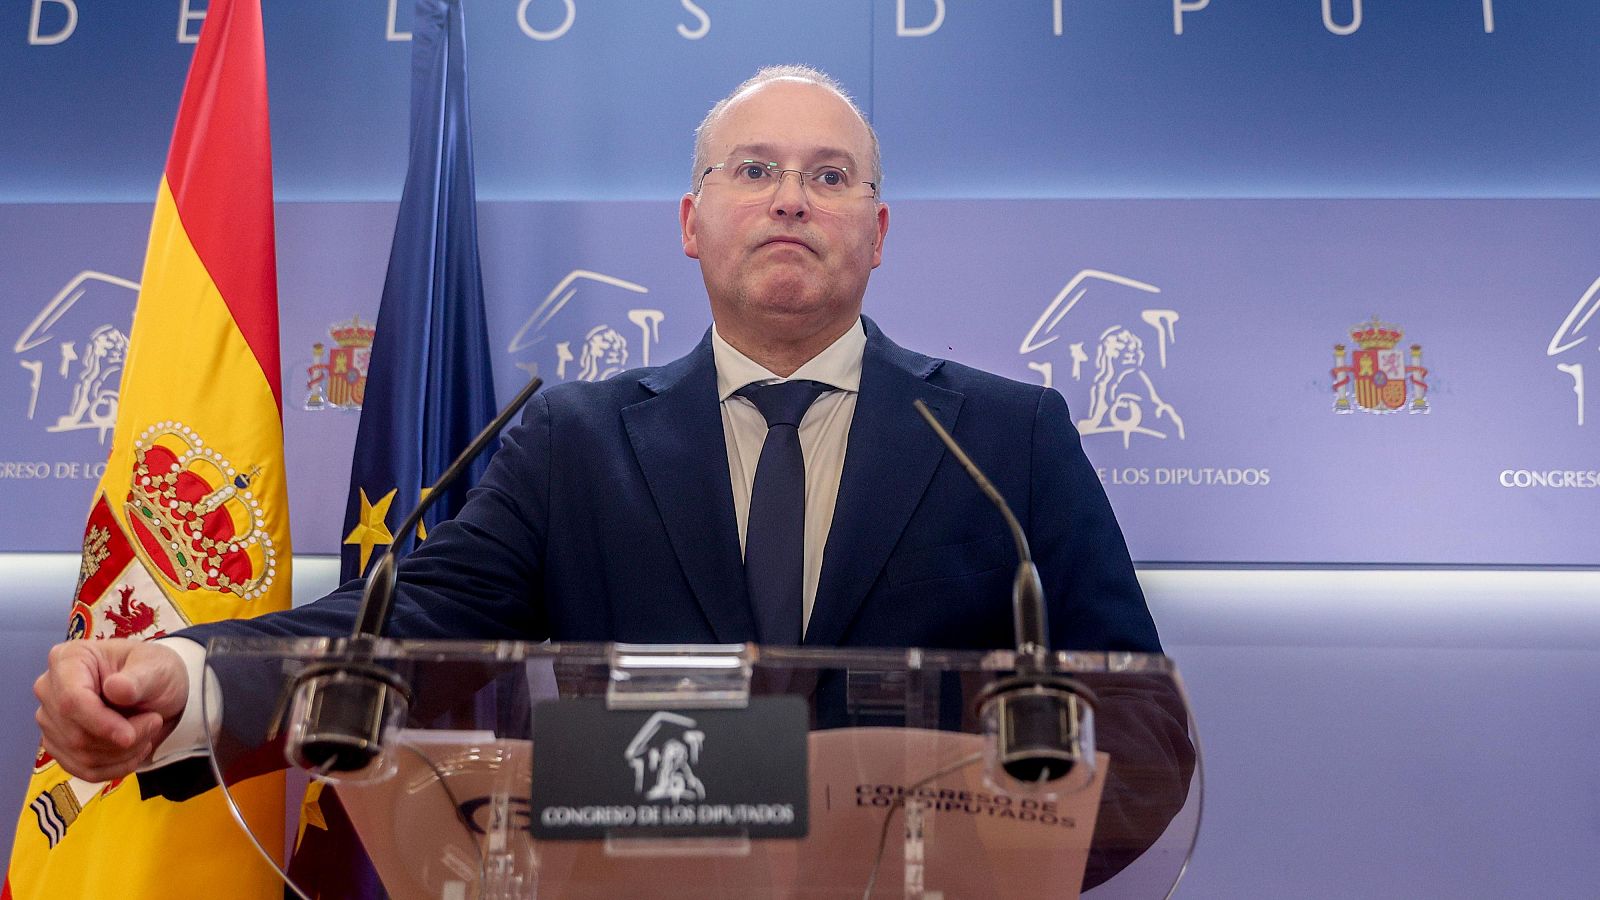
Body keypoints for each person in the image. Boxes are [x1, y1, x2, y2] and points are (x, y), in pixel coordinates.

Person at [33, 64, 1162, 787]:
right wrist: (186, 678)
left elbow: (1140, 722)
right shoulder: (572, 440)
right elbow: (407, 626)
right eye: (753, 169)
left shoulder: (1008, 437)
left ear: (877, 230)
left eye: (830, 177)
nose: (789, 199)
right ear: (689, 220)